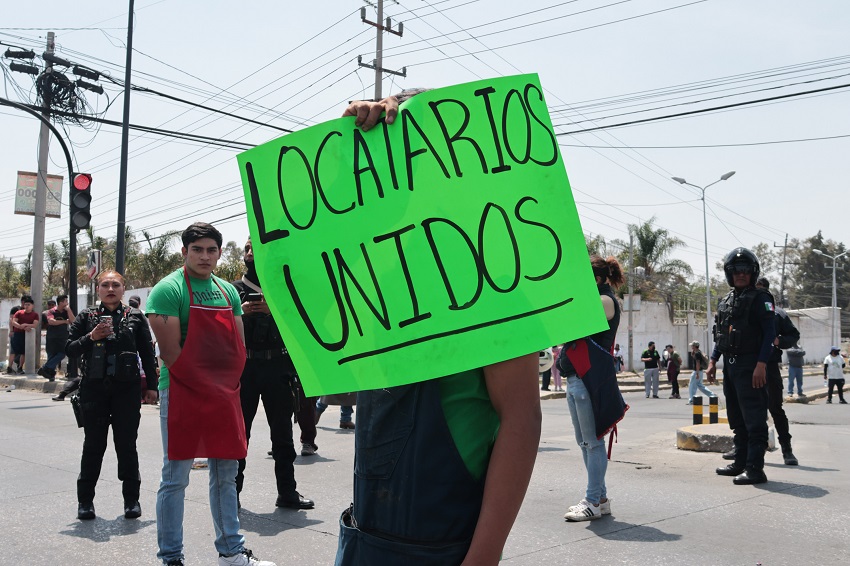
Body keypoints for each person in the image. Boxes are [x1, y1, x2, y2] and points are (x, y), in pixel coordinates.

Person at [333, 93, 541, 565]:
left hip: (442, 544)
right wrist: (345, 140)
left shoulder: (493, 281)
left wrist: (484, 555)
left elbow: (522, 417)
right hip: (368, 534)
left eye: (420, 154)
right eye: (394, 152)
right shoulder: (373, 275)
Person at [146, 223, 275, 566]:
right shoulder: (167, 290)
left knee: (226, 473)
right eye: (197, 249)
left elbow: (238, 345)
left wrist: (228, 386)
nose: (205, 256)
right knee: (175, 477)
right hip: (180, 389)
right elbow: (171, 353)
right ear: (184, 252)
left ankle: (231, 552)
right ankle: (171, 557)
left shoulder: (228, 292)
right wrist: (206, 385)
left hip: (223, 392)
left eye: (211, 250)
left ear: (219, 253)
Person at [65, 271, 159, 521]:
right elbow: (70, 349)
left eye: (115, 285)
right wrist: (91, 336)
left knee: (126, 446)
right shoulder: (86, 317)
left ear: (123, 289)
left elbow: (148, 355)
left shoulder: (136, 316)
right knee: (93, 446)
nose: (110, 288)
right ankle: (85, 502)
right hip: (93, 390)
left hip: (126, 391)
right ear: (98, 289)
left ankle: (131, 500)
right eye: (105, 284)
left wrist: (152, 386)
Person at [232, 238, 313, 510]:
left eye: (256, 246)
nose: (251, 252)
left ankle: (287, 492)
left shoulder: (283, 288)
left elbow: (304, 323)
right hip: (245, 370)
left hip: (279, 368)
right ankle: (231, 494)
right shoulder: (232, 291)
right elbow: (217, 329)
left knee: (282, 435)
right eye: (247, 248)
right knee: (239, 435)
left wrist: (274, 310)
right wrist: (238, 312)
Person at [560, 255, 628, 522]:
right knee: (585, 442)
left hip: (588, 380)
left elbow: (570, 324)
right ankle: (600, 499)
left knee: (593, 442)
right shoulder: (595, 300)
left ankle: (591, 501)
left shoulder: (604, 301)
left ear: (597, 279)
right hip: (576, 379)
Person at [709, 248, 776, 485]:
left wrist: (761, 364)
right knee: (737, 418)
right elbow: (722, 335)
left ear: (753, 272)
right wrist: (713, 360)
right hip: (731, 365)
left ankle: (755, 469)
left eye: (745, 270)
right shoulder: (727, 300)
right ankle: (740, 462)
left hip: (751, 365)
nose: (740, 274)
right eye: (736, 270)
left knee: (754, 418)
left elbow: (770, 333)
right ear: (729, 273)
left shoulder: (761, 299)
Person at [38, 294, 75, 381]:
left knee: (62, 354)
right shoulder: (51, 311)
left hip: (63, 337)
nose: (67, 303)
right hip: (52, 337)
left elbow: (73, 321)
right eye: (66, 301)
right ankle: (50, 375)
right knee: (51, 356)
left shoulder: (67, 312)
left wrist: (69, 310)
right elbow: (51, 322)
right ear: (61, 302)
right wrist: (65, 321)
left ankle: (45, 368)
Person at [10, 295, 39, 374]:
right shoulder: (18, 313)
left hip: (27, 336)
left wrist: (26, 325)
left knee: (24, 352)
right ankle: (9, 367)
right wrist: (22, 327)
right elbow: (14, 322)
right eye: (25, 304)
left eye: (28, 305)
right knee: (13, 351)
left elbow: (35, 325)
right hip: (17, 333)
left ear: (32, 306)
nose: (26, 306)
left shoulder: (35, 315)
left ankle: (20, 367)